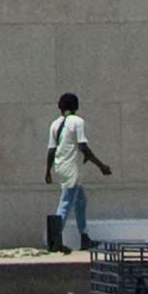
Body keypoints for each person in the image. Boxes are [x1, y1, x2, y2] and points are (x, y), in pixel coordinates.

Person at [46, 89, 113, 248]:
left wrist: (48, 170)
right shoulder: (77, 121)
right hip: (72, 169)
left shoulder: (55, 124)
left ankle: (84, 237)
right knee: (66, 202)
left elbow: (51, 150)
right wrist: (101, 165)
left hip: (61, 166)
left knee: (80, 201)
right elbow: (83, 146)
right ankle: (54, 241)